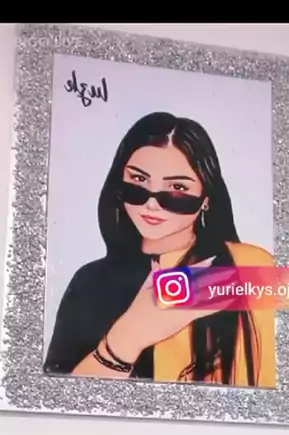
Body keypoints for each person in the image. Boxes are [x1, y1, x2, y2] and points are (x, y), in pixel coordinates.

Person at [44, 112, 276, 388]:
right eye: (139, 180)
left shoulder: (248, 266)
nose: (151, 204)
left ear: (206, 197)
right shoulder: (91, 282)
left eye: (177, 187)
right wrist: (126, 340)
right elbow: (56, 394)